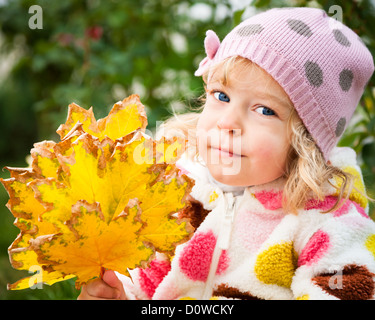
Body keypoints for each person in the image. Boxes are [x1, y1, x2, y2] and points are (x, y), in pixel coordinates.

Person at [78, 7, 375, 300]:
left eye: (264, 110)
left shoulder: (327, 220)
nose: (228, 122)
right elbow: (149, 278)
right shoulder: (181, 189)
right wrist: (122, 295)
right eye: (222, 96)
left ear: (306, 143)